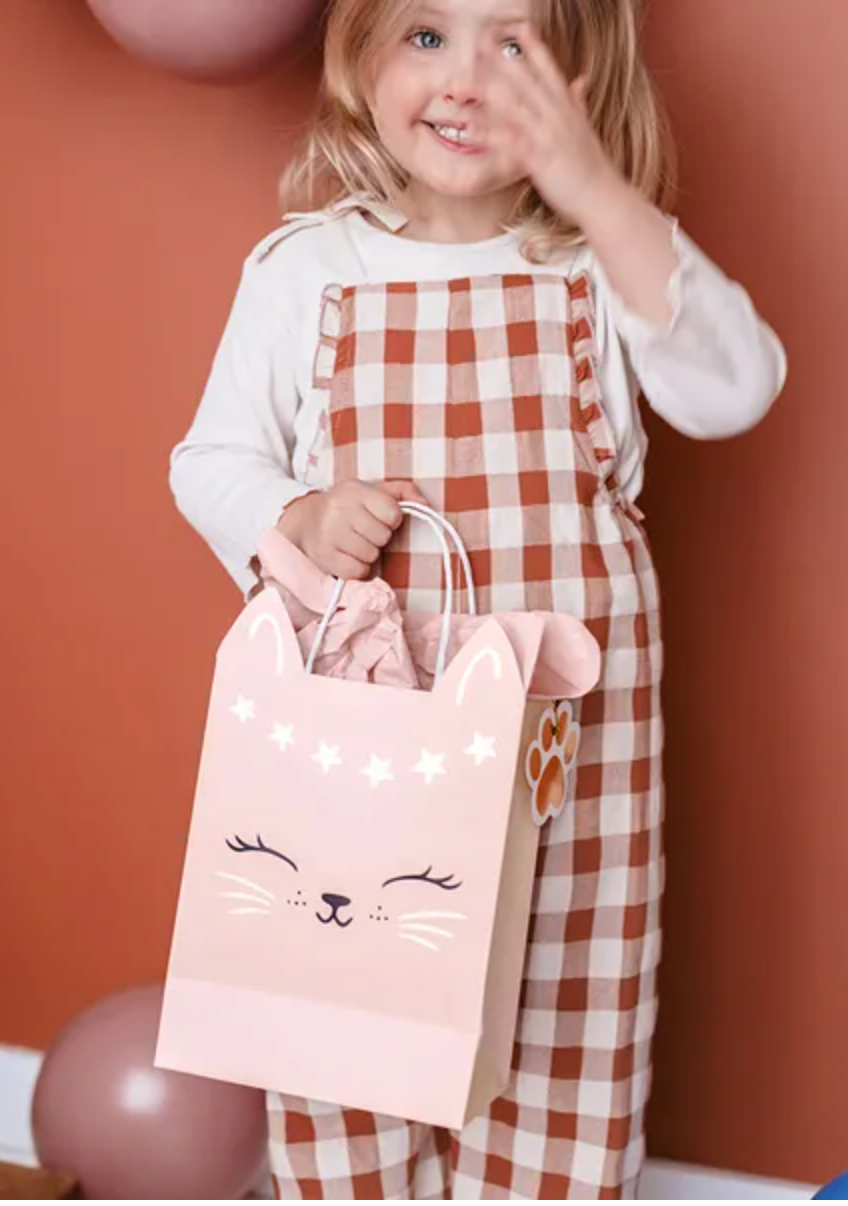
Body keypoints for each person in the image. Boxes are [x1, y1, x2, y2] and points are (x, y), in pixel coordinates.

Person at [169, 0, 786, 1196]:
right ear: (359, 59)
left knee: (560, 1010)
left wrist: (599, 196)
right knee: (345, 995)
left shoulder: (597, 266)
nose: (466, 79)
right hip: (359, 753)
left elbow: (735, 387)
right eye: (426, 36)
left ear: (583, 82)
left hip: (565, 770)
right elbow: (209, 462)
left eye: (515, 45)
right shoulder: (310, 269)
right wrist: (297, 516)